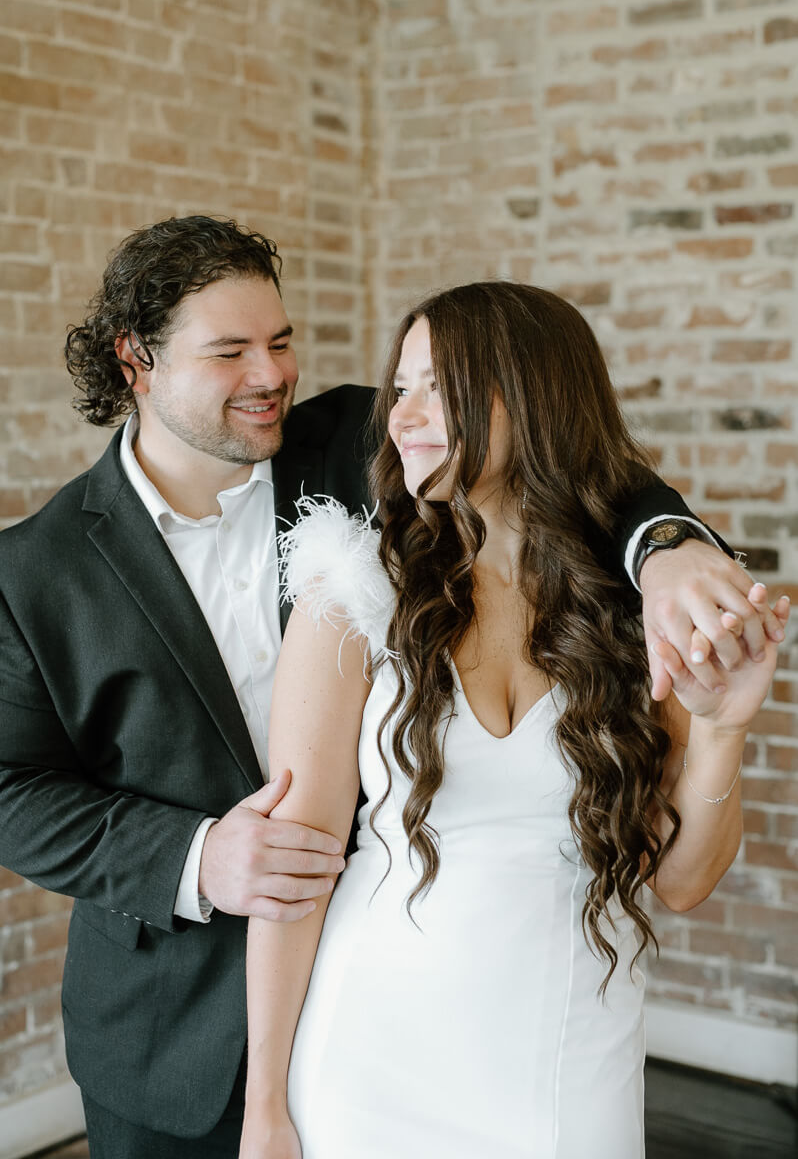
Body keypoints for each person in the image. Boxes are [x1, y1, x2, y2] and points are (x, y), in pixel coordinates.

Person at [0, 218, 783, 1159]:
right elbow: (12, 791)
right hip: (171, 1018)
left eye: (281, 341)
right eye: (230, 351)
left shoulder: (349, 440)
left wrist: (665, 549)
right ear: (138, 362)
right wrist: (196, 858)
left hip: (465, 993)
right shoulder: (33, 572)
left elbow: (565, 457)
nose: (271, 374)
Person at [239, 282, 789, 1159]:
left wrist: (721, 728)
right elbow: (291, 868)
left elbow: (680, 881)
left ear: (531, 398)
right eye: (401, 388)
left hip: (567, 1052)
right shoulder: (350, 591)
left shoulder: (633, 610)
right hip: (368, 1053)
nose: (402, 418)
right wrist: (264, 1103)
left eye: (437, 388)